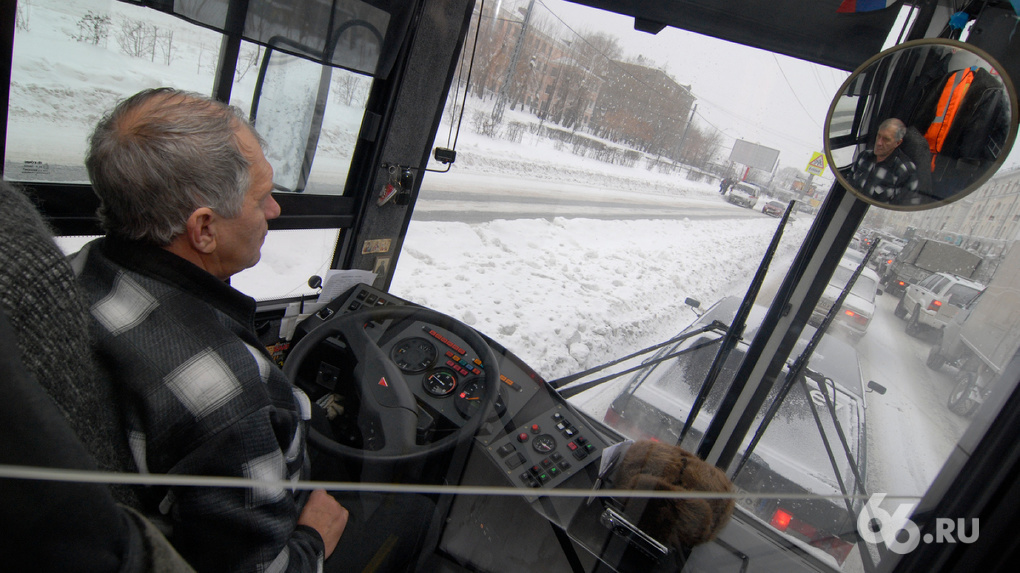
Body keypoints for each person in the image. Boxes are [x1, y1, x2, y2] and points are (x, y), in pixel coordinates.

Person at [72, 88, 429, 572]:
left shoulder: (76, 269)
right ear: (203, 229)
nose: (275, 211)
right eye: (262, 198)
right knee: (411, 515)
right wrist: (313, 540)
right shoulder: (232, 395)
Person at [847, 118, 921, 205]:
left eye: (886, 139)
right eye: (878, 136)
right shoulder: (864, 156)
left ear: (897, 143)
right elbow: (849, 181)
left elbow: (908, 205)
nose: (879, 143)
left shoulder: (906, 170)